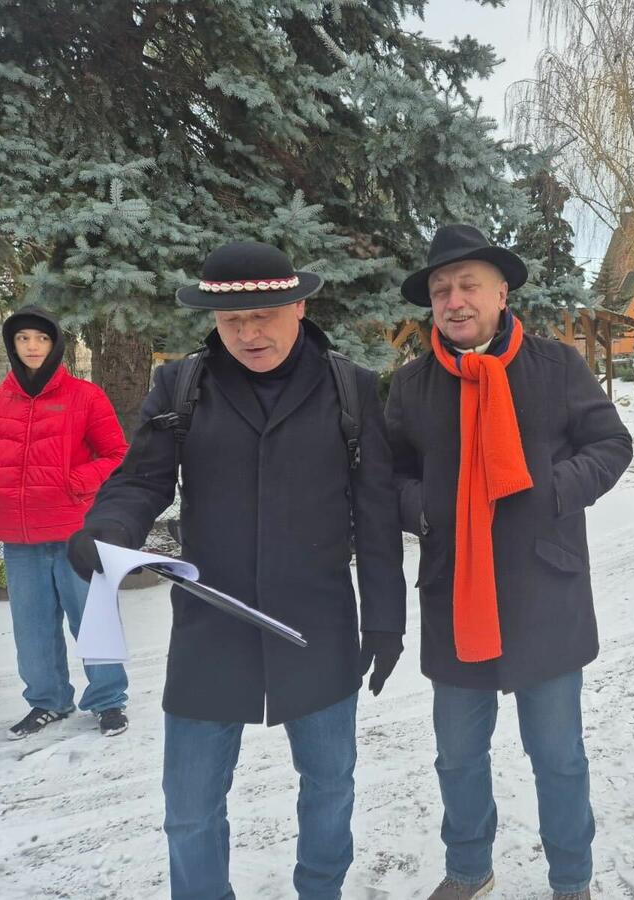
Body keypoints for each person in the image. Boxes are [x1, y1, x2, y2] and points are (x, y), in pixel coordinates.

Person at [68, 241, 406, 899]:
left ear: (298, 307)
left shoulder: (351, 388)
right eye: (232, 320)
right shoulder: (183, 385)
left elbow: (375, 515)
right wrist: (108, 529)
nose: (249, 334)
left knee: (330, 784)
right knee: (190, 807)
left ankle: (321, 890)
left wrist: (385, 621)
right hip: (211, 628)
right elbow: (142, 478)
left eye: (264, 316)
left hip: (317, 625)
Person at [386, 224, 633, 900]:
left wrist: (553, 490)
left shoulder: (556, 367)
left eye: (469, 285)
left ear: (501, 294)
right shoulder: (412, 385)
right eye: (441, 290)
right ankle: (469, 869)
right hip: (455, 594)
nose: (454, 300)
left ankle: (572, 879)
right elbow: (390, 474)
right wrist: (427, 508)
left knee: (558, 757)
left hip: (544, 589)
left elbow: (610, 444)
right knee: (458, 757)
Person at [0, 306, 130, 739]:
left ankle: (108, 701)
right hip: (19, 537)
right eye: (23, 338)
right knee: (32, 629)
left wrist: (73, 483)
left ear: (55, 344)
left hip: (75, 533)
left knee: (94, 621)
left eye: (41, 338)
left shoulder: (85, 396)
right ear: (12, 345)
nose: (32, 346)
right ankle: (48, 701)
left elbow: (117, 455)